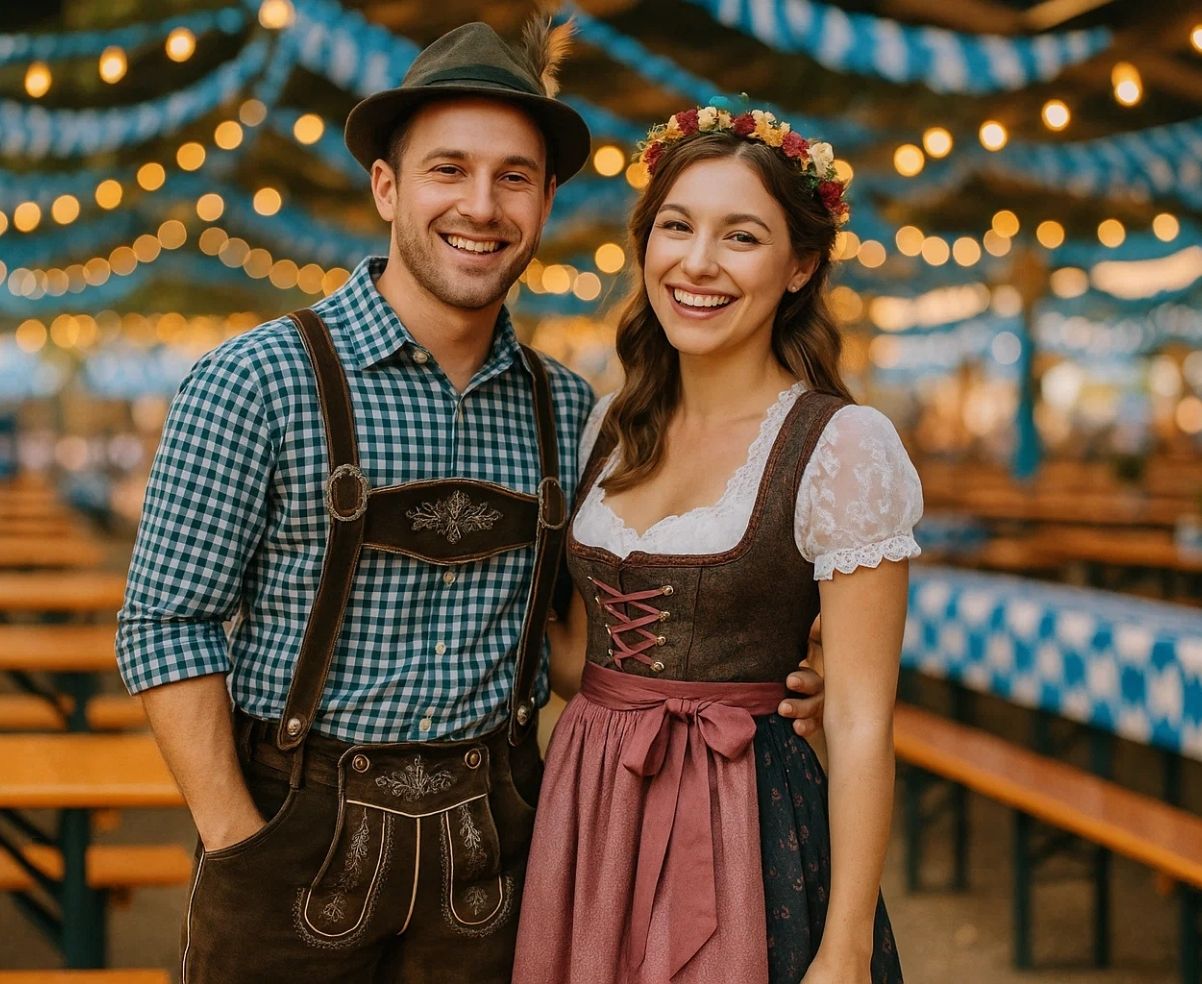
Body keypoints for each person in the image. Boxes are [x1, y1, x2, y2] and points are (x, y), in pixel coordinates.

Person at [116, 19, 828, 983]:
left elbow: (584, 644)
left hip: (496, 848)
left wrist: (773, 665)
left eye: (515, 178)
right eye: (448, 170)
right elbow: (166, 621)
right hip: (294, 832)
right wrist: (236, 837)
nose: (481, 207)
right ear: (387, 187)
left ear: (543, 203)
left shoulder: (569, 411)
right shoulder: (258, 380)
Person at [514, 103, 923, 984]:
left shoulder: (842, 446)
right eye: (676, 226)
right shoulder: (609, 432)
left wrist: (846, 945)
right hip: (589, 814)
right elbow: (581, 662)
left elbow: (858, 720)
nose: (697, 263)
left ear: (800, 265)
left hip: (749, 822)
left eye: (740, 236)